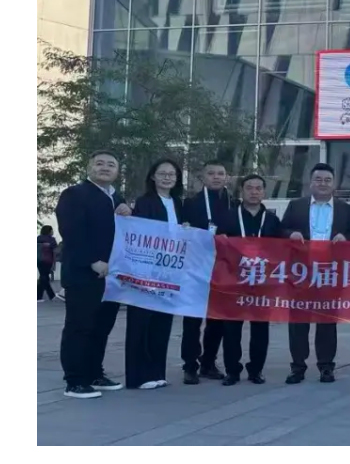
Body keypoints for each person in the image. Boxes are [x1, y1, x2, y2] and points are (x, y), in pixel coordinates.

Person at [56, 150, 130, 399]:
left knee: (101, 327)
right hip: (84, 273)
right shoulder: (75, 194)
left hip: (112, 276)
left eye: (111, 164)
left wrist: (128, 213)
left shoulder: (116, 197)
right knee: (80, 327)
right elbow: (71, 231)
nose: (105, 168)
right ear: (89, 168)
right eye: (99, 163)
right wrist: (92, 261)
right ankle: (75, 381)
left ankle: (94, 373)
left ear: (117, 171)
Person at [281, 163, 350, 384]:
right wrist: (291, 234)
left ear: (334, 184)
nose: (323, 183)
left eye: (327, 180)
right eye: (318, 179)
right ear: (310, 182)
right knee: (298, 323)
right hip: (301, 273)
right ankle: (297, 367)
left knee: (327, 322)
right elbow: (280, 230)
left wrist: (346, 238)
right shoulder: (296, 206)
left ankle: (326, 366)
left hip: (330, 273)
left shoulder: (345, 209)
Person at [126, 158, 185, 390]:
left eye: (172, 174)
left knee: (162, 322)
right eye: (163, 173)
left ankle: (157, 372)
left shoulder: (177, 203)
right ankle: (138, 375)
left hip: (169, 270)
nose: (167, 177)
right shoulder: (145, 202)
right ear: (153, 176)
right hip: (146, 269)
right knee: (141, 321)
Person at [218, 174, 281, 385]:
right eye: (249, 188)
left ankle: (256, 370)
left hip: (263, 282)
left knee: (260, 328)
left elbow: (282, 251)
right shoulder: (228, 217)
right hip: (234, 281)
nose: (254, 192)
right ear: (241, 191)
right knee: (231, 328)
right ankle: (232, 370)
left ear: (264, 192)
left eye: (258, 188)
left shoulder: (272, 220)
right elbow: (217, 248)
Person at [179, 160, 233, 384]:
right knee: (192, 319)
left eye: (220, 173)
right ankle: (190, 365)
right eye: (211, 173)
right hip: (196, 267)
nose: (216, 177)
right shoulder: (190, 203)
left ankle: (208, 362)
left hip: (223, 269)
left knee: (217, 320)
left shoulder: (233, 203)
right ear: (203, 177)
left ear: (226, 177)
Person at [38, 225, 59, 302]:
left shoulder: (38, 238)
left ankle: (49, 295)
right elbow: (55, 251)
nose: (53, 232)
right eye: (52, 230)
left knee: (43, 277)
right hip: (48, 260)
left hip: (38, 260)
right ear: (49, 231)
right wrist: (54, 263)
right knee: (44, 277)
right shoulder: (52, 240)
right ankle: (47, 296)